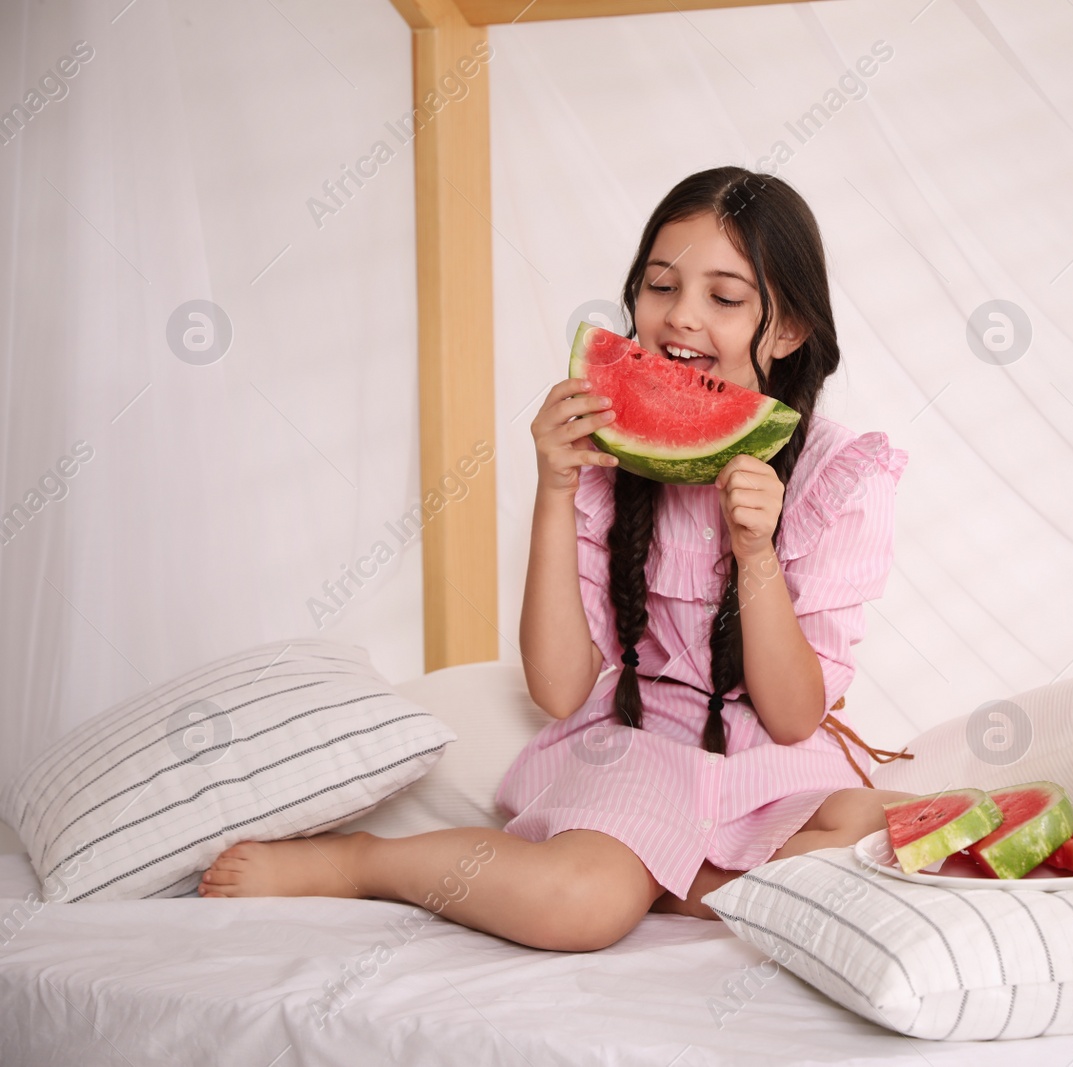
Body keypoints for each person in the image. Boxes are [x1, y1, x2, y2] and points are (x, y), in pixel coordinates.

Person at [197, 167, 916, 952]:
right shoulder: (606, 463)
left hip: (770, 758)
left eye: (725, 297)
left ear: (787, 331)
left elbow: (792, 715)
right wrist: (555, 485)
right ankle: (366, 861)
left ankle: (677, 882)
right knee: (577, 904)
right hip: (646, 745)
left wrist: (755, 552)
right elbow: (559, 687)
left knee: (893, 836)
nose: (679, 319)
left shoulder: (841, 475)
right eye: (659, 285)